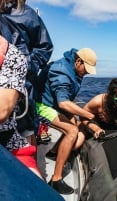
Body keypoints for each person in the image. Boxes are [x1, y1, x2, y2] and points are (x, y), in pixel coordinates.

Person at [0, 0, 43, 179]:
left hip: (22, 98)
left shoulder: (27, 16)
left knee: (30, 130)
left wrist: (26, 69)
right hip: (20, 92)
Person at [35, 47, 98, 194]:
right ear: (78, 62)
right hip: (40, 105)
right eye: (86, 69)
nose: (87, 72)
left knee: (75, 124)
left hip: (52, 103)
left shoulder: (73, 69)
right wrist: (89, 116)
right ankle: (55, 180)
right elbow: (63, 103)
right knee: (72, 130)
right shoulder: (62, 71)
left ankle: (54, 152)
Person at [3, 0, 54, 145]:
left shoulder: (27, 14)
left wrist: (26, 65)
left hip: (22, 88)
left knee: (25, 132)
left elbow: (45, 46)